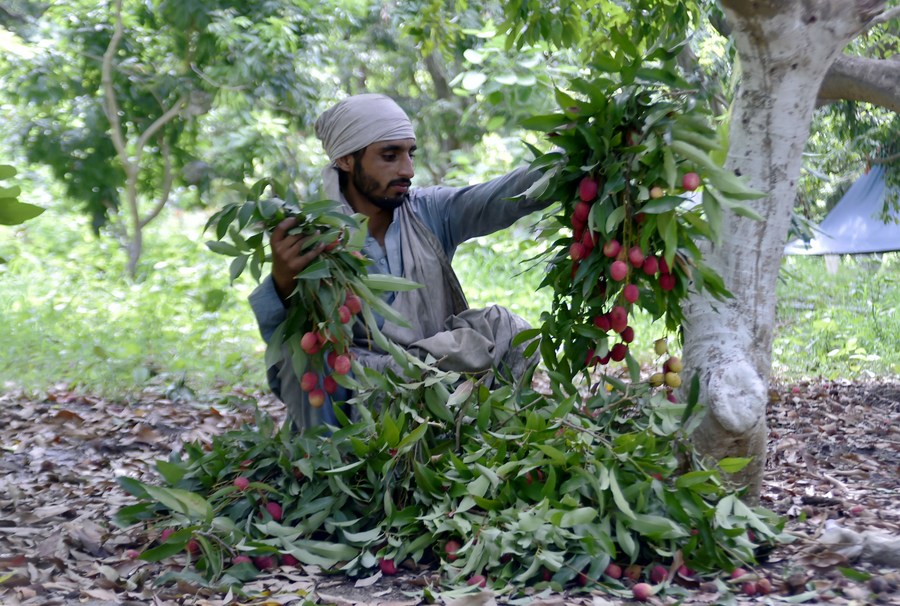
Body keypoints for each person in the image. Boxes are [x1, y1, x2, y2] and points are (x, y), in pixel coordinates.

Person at [249, 93, 550, 429]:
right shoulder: (316, 237)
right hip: (365, 397)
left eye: (410, 154)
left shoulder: (429, 212)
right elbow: (285, 354)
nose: (407, 169)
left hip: (436, 380)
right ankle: (326, 463)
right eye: (389, 156)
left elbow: (505, 196)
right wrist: (283, 281)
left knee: (508, 328)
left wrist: (574, 160)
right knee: (307, 357)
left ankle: (487, 434)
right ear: (347, 160)